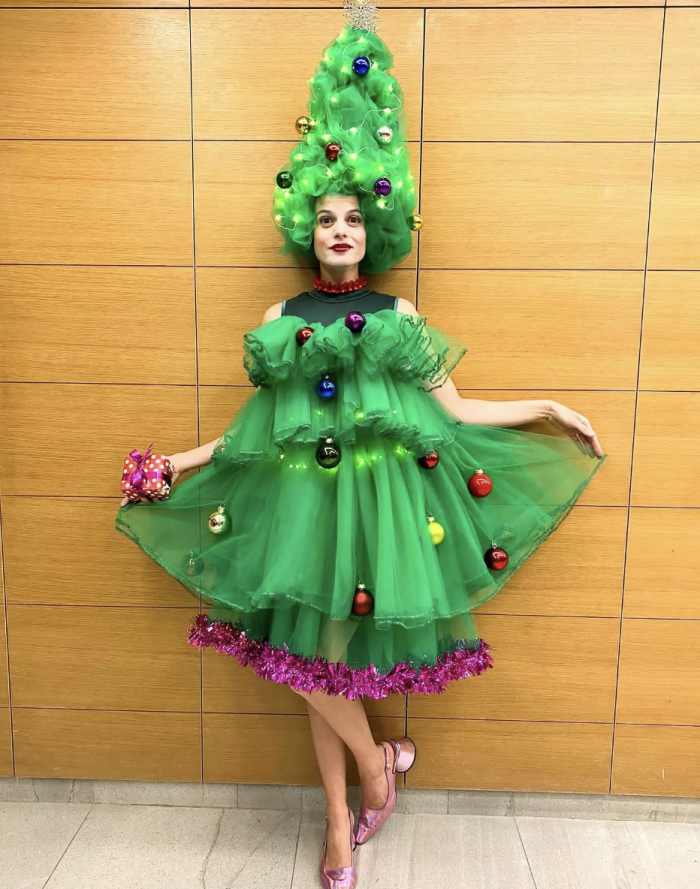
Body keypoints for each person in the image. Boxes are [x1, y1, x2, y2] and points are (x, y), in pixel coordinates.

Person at [116, 7, 608, 887]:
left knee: (321, 665)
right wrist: (177, 467)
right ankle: (364, 790)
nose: (339, 229)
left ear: (374, 230)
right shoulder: (279, 323)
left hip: (380, 513)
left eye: (353, 217)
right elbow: (252, 431)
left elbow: (452, 413)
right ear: (305, 227)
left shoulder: (398, 317)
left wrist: (547, 406)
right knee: (311, 663)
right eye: (324, 217)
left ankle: (352, 810)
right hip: (305, 511)